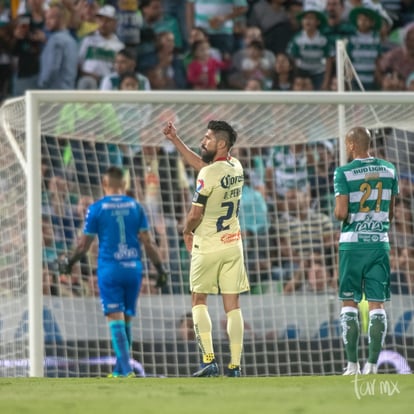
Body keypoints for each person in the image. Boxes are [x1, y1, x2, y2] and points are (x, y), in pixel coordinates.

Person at [58, 166, 168, 377]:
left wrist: (69, 262)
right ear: (124, 185)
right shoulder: (136, 206)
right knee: (126, 318)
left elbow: (83, 245)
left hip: (110, 269)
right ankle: (119, 370)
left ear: (104, 183)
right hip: (133, 269)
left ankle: (126, 371)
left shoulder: (96, 208)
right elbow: (148, 242)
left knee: (115, 318)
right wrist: (160, 269)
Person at [163, 120, 250, 377]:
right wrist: (176, 140)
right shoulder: (236, 166)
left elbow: (194, 213)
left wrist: (185, 231)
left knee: (199, 300)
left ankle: (209, 361)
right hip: (233, 244)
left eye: (208, 138)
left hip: (207, 246)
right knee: (232, 306)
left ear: (221, 143)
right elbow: (204, 168)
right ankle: (235, 366)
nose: (203, 141)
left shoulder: (208, 174)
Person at [334, 126, 399, 375]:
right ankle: (372, 365)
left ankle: (352, 365)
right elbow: (391, 212)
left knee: (349, 302)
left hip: (352, 244)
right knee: (377, 304)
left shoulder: (344, 172)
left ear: (351, 145)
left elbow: (341, 213)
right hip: (379, 242)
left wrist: (345, 212)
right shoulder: (389, 169)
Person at [37, 3, 78, 90]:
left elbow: (52, 69)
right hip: (69, 91)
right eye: (46, 18)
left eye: (51, 18)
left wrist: (42, 84)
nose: (47, 22)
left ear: (62, 19)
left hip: (53, 94)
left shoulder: (56, 40)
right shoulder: (72, 41)